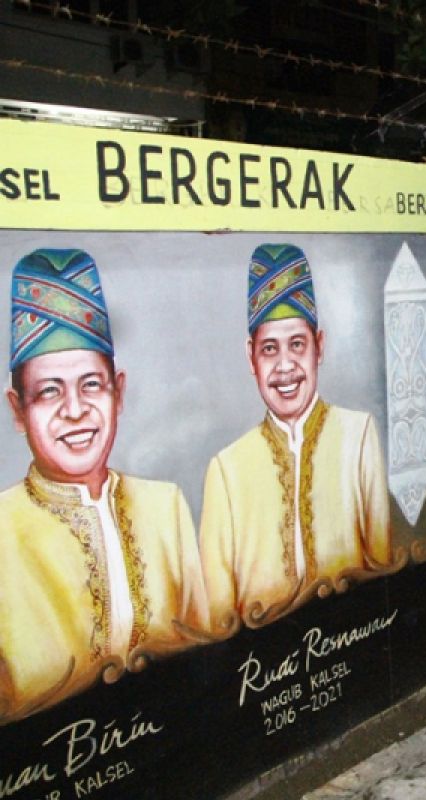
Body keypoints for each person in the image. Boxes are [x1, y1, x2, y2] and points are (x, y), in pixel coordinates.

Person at [0, 249, 208, 724]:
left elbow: (203, 653)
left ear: (119, 392)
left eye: (91, 385)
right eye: (49, 391)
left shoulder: (165, 507)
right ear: (18, 409)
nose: (74, 409)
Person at [199, 244, 394, 632]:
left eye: (297, 345)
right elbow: (218, 619)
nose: (285, 366)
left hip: (352, 637)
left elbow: (381, 571)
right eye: (269, 349)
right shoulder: (226, 470)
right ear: (251, 357)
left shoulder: (358, 436)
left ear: (318, 346)